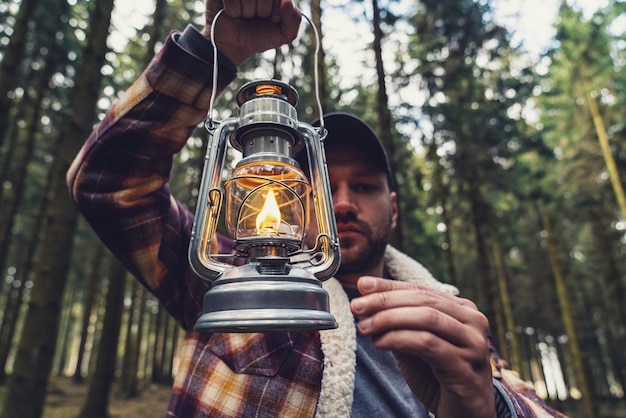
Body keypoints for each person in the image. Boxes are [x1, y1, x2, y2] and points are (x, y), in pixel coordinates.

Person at [67, 0, 568, 417]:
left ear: (393, 209)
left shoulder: (441, 316)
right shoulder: (221, 281)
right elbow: (108, 181)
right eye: (327, 187)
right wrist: (214, 51)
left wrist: (490, 404)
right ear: (299, 198)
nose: (344, 203)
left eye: (365, 187)